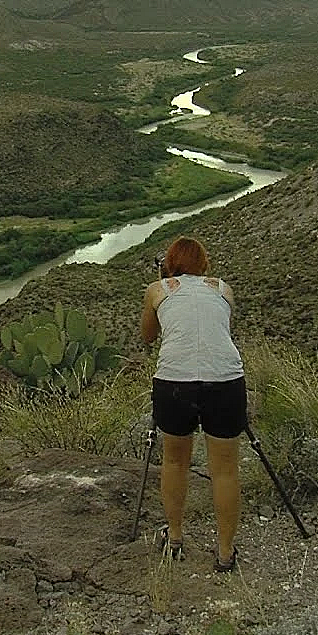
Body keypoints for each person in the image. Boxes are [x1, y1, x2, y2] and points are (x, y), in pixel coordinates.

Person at [140, 235, 245, 572]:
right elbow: (220, 330)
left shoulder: (157, 291)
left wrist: (160, 291)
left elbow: (147, 337)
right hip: (226, 380)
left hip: (174, 382)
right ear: (204, 264)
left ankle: (174, 537)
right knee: (226, 470)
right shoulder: (223, 289)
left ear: (169, 264)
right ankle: (226, 552)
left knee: (174, 462)